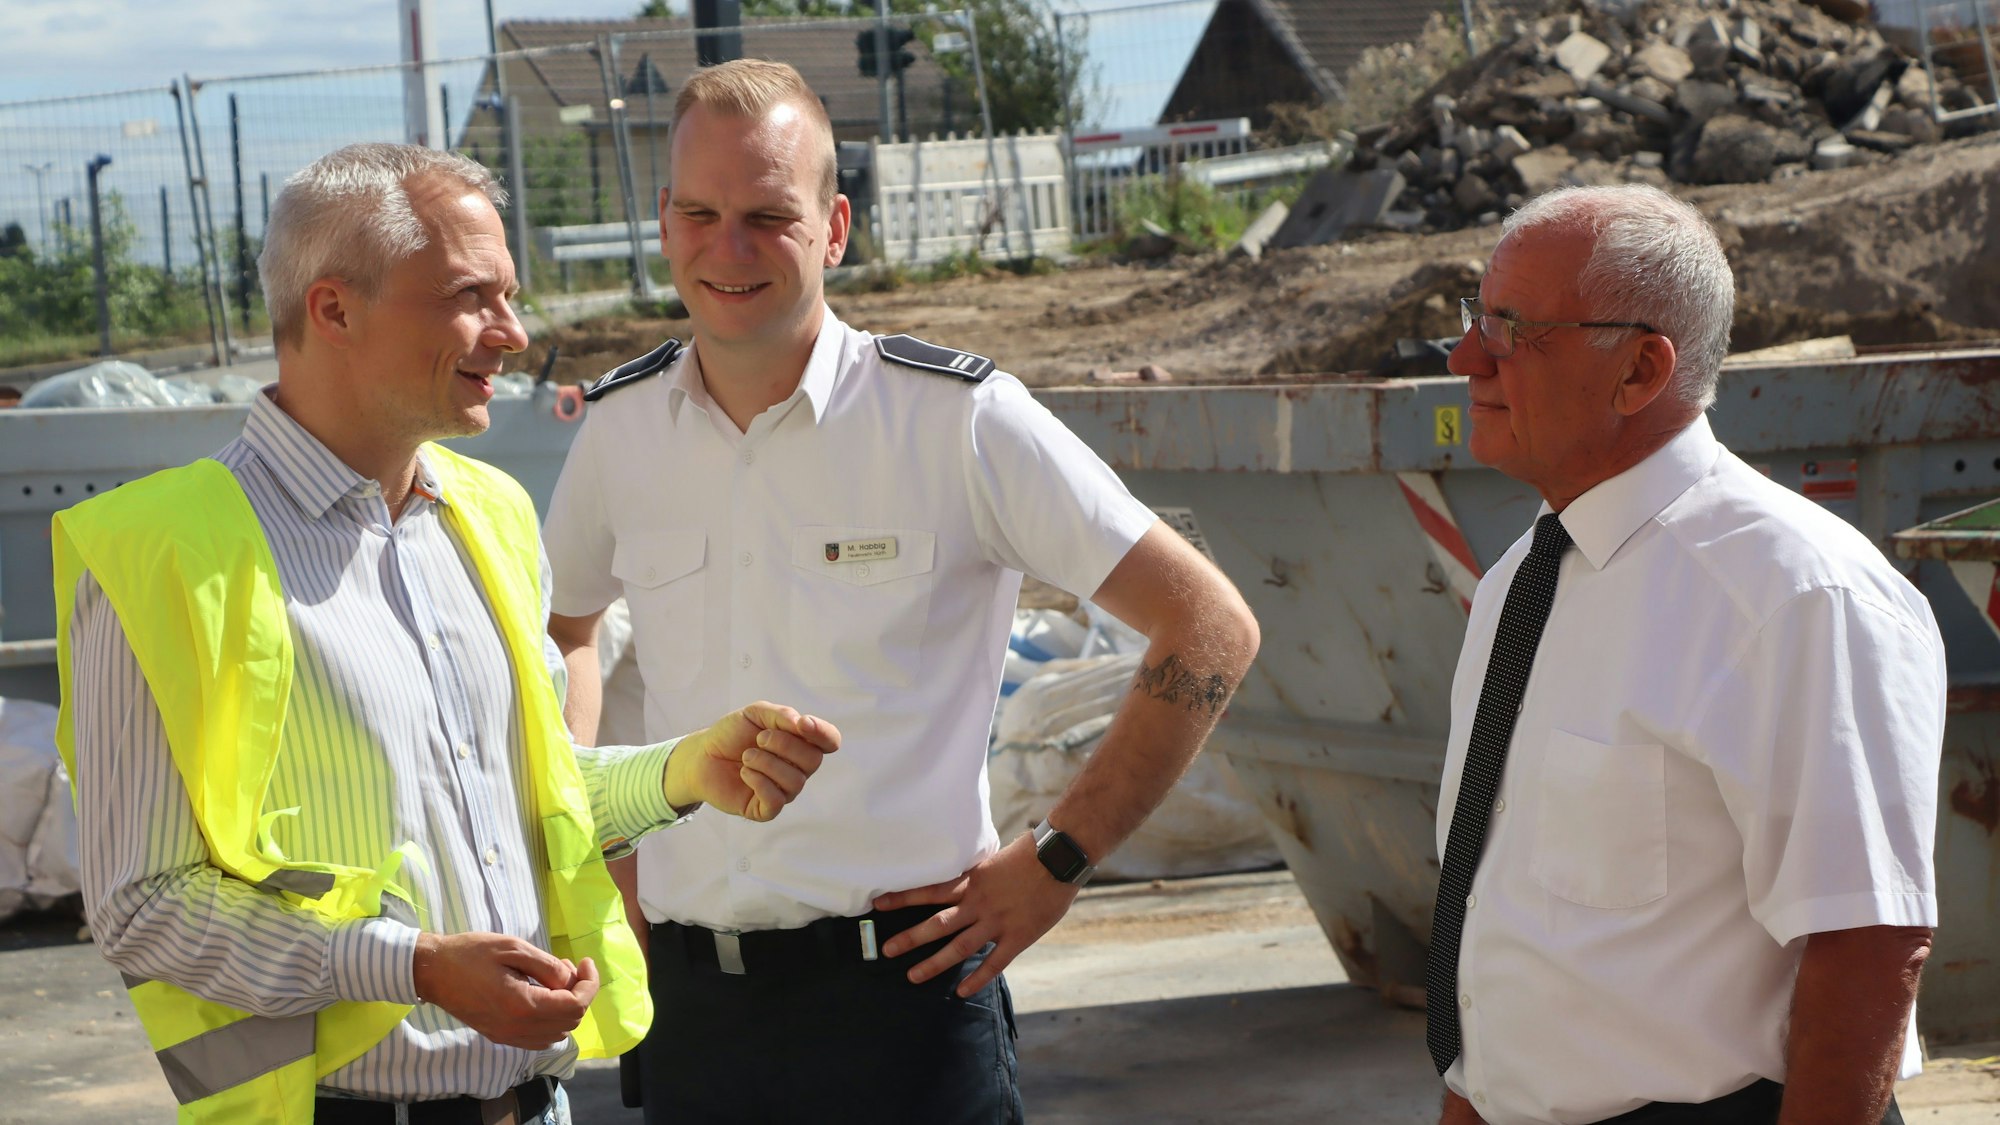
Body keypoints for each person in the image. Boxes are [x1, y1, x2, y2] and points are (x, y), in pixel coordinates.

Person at [52, 143, 842, 1125]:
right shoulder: (161, 554)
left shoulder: (490, 514)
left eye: (508, 296)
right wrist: (414, 968)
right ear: (333, 309)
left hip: (533, 1103)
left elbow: (531, 792)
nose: (511, 334)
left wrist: (682, 774)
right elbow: (142, 908)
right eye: (472, 296)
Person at [542, 59, 1261, 1123]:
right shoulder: (621, 429)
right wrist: (600, 838)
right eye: (698, 212)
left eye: (765, 216)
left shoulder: (955, 421)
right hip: (692, 1012)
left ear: (833, 228)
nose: (726, 247)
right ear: (662, 222)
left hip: (907, 1009)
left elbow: (1207, 628)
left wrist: (1056, 859)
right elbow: (565, 637)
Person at [1426, 183, 1944, 1125]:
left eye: (1511, 328)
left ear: (1639, 370)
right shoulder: (1521, 581)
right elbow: (1490, 926)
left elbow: (1869, 940)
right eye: (1474, 316)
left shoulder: (1795, 594)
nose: (1467, 357)